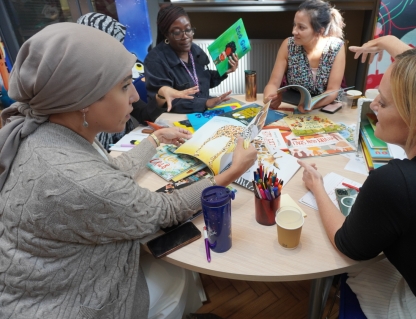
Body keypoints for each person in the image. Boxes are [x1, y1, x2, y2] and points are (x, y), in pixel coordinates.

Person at [0, 23, 257, 319]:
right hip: (68, 301)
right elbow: (166, 210)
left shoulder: (48, 130)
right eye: (124, 86)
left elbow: (111, 170)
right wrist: (232, 171)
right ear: (82, 100)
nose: (135, 98)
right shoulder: (77, 178)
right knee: (177, 271)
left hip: (37, 281)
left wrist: (155, 138)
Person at [298, 35, 416, 318]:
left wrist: (317, 187)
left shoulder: (397, 183)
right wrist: (390, 42)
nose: (374, 108)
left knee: (357, 269)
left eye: (383, 101)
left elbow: (349, 246)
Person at [77, 12, 199, 150]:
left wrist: (161, 95)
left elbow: (143, 114)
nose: (133, 96)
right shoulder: (80, 95)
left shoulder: (118, 74)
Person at [144, 4, 239, 115]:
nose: (185, 36)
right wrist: (205, 103)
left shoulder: (195, 51)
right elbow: (168, 101)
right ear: (166, 35)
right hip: (174, 119)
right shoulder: (155, 61)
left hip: (200, 113)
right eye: (177, 32)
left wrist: (223, 71)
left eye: (188, 29)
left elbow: (202, 81)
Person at [263, 0, 346, 112]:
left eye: (301, 27)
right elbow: (272, 83)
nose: (294, 31)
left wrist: (310, 105)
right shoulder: (288, 45)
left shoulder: (336, 47)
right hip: (294, 105)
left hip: (326, 107)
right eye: (294, 25)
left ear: (319, 31)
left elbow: (332, 91)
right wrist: (270, 97)